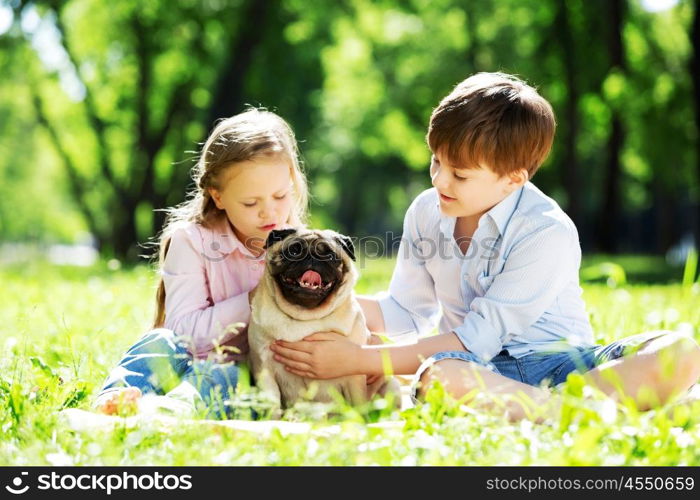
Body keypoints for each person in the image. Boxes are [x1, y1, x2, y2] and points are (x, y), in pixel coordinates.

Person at [270, 72, 700, 422]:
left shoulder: (546, 230)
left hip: (565, 366)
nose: (439, 180)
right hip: (479, 372)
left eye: (460, 174)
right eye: (436, 161)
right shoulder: (426, 211)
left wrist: (359, 359)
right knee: (439, 377)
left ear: (514, 177)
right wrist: (319, 297)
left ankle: (568, 410)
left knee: (682, 352)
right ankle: (591, 415)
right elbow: (405, 309)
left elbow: (478, 337)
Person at [93, 108, 309, 418]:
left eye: (280, 196)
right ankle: (114, 401)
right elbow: (183, 335)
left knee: (227, 375)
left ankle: (169, 411)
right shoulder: (191, 241)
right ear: (217, 197)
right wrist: (257, 297)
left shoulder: (303, 250)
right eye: (251, 203)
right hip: (185, 356)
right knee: (160, 341)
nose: (269, 212)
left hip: (246, 372)